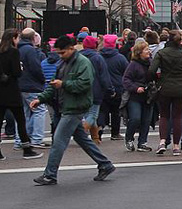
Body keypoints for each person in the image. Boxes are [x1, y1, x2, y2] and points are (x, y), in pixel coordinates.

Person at [31, 35, 114, 185]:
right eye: (58, 53)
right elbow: (53, 85)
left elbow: (84, 84)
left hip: (75, 107)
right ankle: (105, 164)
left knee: (58, 141)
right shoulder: (63, 63)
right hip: (68, 106)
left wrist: (63, 84)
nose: (60, 55)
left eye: (62, 52)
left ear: (71, 48)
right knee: (82, 139)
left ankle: (50, 175)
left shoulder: (83, 63)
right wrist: (41, 98)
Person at [0, 29, 43, 160]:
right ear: (13, 38)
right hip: (12, 90)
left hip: (1, 90)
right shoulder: (13, 52)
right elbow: (17, 72)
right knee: (21, 120)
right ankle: (27, 149)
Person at [148, 32, 182, 156]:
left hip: (165, 87)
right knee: (177, 116)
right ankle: (176, 146)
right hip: (181, 87)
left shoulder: (161, 53)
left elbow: (152, 70)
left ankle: (162, 141)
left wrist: (157, 80)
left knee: (164, 115)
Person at [17, 28, 48, 151]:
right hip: (32, 85)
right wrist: (42, 80)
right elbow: (36, 68)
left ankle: (21, 140)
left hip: (20, 85)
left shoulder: (17, 49)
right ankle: (36, 139)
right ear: (33, 38)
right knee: (39, 110)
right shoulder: (30, 51)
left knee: (23, 114)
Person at [78, 35, 112, 143]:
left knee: (88, 114)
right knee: (92, 115)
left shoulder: (77, 57)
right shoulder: (98, 58)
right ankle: (82, 132)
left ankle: (95, 138)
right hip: (95, 90)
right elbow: (104, 77)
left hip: (80, 89)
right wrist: (110, 89)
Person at [122, 40, 153, 152]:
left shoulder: (151, 63)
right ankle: (129, 138)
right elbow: (126, 80)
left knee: (146, 120)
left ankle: (142, 142)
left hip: (148, 96)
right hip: (135, 96)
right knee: (135, 118)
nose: (148, 51)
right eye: (146, 50)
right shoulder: (133, 65)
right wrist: (136, 88)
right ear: (139, 52)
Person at [99, 35, 128, 141]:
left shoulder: (99, 57)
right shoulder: (120, 58)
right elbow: (126, 72)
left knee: (102, 110)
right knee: (116, 112)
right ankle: (115, 133)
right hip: (117, 87)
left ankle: (100, 128)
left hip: (102, 88)